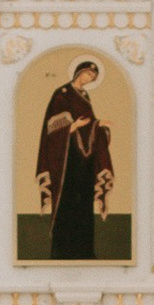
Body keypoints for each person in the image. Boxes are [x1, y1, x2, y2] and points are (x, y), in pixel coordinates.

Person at [33, 58, 115, 257]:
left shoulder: (84, 96)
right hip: (67, 161)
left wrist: (98, 126)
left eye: (93, 77)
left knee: (83, 204)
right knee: (67, 202)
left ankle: (84, 251)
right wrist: (72, 127)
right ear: (79, 73)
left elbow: (89, 124)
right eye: (88, 74)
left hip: (84, 161)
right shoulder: (62, 94)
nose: (89, 79)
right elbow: (51, 128)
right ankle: (62, 251)